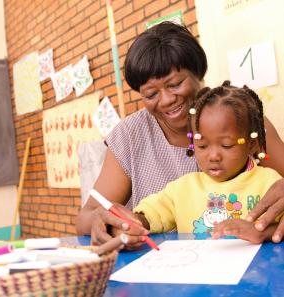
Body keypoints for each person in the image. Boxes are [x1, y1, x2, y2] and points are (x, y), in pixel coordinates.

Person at [76, 22, 284, 249]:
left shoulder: (242, 120)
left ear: (198, 74)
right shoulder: (130, 135)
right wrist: (103, 221)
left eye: (175, 84)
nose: (165, 100)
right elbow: (86, 216)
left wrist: (270, 227)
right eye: (151, 93)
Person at [131, 82, 283, 244]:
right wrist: (131, 223)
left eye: (226, 145)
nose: (213, 156)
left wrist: (264, 231)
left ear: (252, 145)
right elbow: (147, 215)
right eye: (202, 145)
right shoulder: (181, 189)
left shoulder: (269, 183)